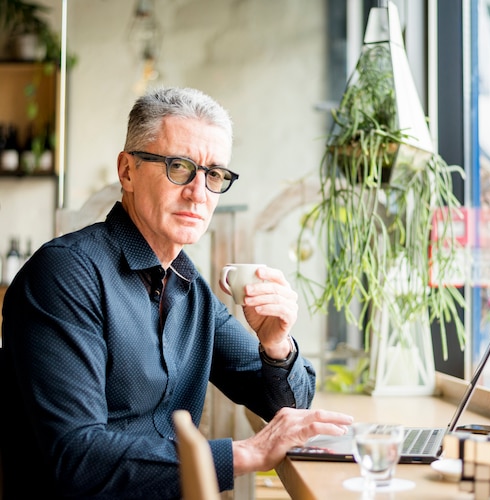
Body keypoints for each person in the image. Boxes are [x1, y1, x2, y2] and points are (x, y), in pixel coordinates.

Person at [0, 87, 353, 499]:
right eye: (179, 167)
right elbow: (78, 457)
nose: (198, 192)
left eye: (214, 174)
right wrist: (244, 453)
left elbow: (285, 407)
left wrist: (276, 344)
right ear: (127, 171)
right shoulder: (64, 274)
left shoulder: (190, 289)